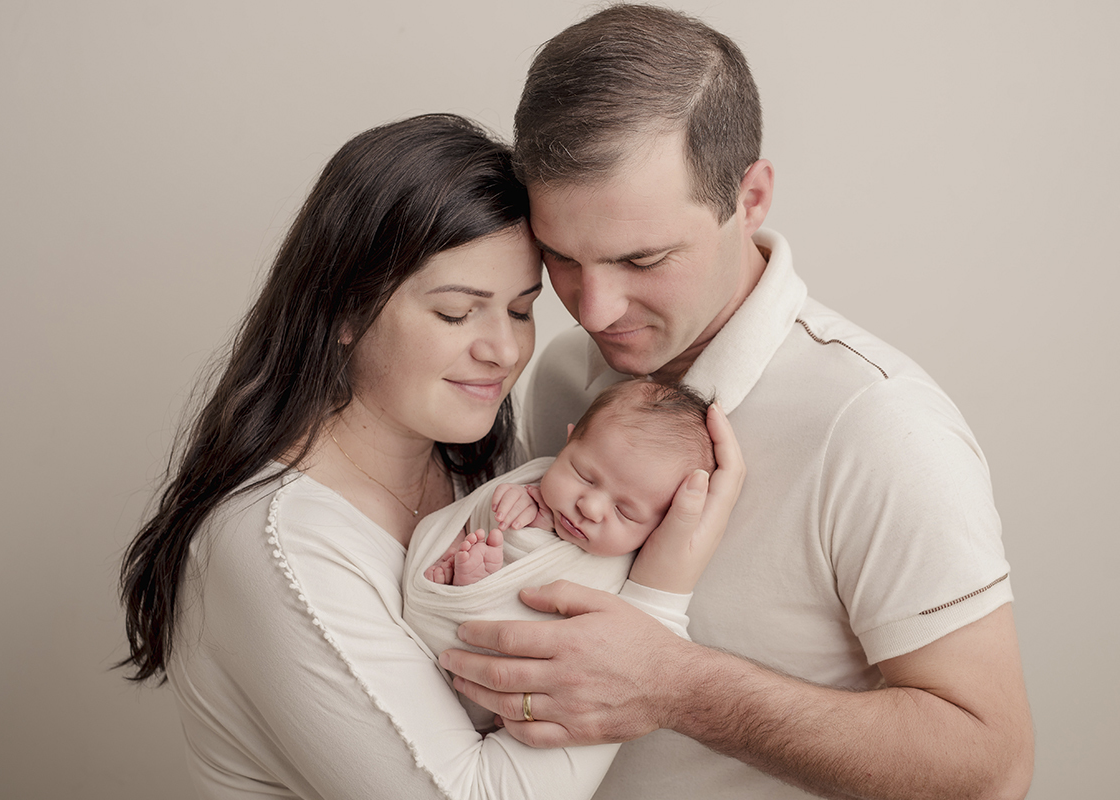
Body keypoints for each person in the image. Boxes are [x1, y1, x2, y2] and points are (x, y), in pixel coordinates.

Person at [438, 6, 1035, 800]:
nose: (594, 308)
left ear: (750, 197)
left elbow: (993, 768)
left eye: (642, 258)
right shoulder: (560, 374)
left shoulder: (881, 427)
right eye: (561, 258)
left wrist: (679, 686)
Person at [117, 113, 744, 800]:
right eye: (456, 313)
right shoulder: (281, 542)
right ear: (346, 311)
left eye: (520, 310)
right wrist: (659, 601)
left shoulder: (484, 468)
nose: (503, 352)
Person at [403, 380, 717, 729]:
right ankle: (468, 583)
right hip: (431, 656)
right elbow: (474, 516)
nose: (591, 507)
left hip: (519, 685)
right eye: (583, 476)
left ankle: (474, 587)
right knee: (488, 537)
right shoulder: (535, 487)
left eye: (626, 512)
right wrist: (514, 511)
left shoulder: (626, 567)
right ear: (567, 442)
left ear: (661, 525)